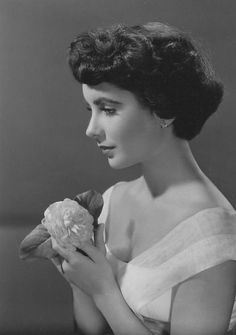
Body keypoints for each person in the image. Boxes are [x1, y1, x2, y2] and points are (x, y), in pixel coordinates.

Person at [51, 22, 236, 335]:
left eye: (108, 109)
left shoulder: (213, 238)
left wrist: (103, 291)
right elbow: (90, 330)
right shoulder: (112, 199)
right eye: (90, 109)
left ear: (164, 110)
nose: (91, 129)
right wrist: (77, 277)